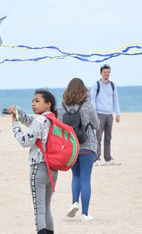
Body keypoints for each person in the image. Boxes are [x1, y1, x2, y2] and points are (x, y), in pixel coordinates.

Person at [8, 90, 58, 234]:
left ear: (48, 104)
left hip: (38, 168)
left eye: (37, 101)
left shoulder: (39, 120)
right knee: (47, 208)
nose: (33, 103)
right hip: (53, 170)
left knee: (39, 211)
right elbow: (29, 120)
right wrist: (17, 111)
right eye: (32, 101)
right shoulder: (53, 119)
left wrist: (15, 125)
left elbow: (25, 142)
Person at [57, 78, 100, 221]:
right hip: (87, 145)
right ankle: (85, 214)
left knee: (75, 176)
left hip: (71, 147)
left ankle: (74, 202)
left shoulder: (62, 106)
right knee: (85, 179)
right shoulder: (87, 105)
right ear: (83, 90)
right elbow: (97, 124)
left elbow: (58, 126)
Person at [90, 64, 120, 165]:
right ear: (101, 73)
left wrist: (118, 113)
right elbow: (92, 100)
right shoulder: (96, 85)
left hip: (109, 115)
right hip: (99, 114)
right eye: (104, 72)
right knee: (98, 137)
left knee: (108, 137)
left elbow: (115, 99)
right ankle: (96, 159)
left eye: (108, 72)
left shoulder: (112, 85)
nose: (106, 74)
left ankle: (108, 158)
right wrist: (93, 113)